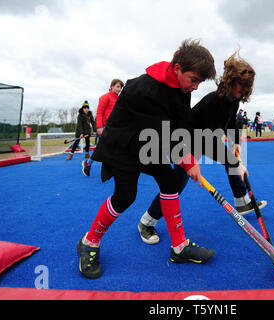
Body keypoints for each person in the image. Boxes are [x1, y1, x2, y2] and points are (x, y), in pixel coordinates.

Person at [76, 39, 217, 279]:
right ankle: (89, 242)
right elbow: (163, 134)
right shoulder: (144, 89)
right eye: (193, 80)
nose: (195, 87)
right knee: (125, 197)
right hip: (123, 144)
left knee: (170, 183)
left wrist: (190, 153)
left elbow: (178, 126)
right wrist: (188, 159)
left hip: (149, 142)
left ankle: (180, 247)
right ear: (177, 68)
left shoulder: (182, 89)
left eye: (199, 83)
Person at [137, 51, 267, 245]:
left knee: (232, 161)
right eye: (242, 88)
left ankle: (241, 201)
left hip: (201, 140)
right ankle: (146, 222)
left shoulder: (233, 100)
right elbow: (208, 143)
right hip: (182, 143)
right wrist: (234, 161)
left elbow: (231, 122)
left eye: (246, 89)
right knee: (176, 185)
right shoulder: (216, 101)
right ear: (231, 81)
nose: (244, 92)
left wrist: (236, 143)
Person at [82, 79, 124, 176]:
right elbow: (99, 113)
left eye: (120, 87)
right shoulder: (105, 97)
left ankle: (90, 163)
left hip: (115, 128)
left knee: (112, 148)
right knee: (103, 148)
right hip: (105, 127)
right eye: (117, 86)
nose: (119, 89)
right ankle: (88, 163)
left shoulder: (118, 99)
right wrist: (99, 127)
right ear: (112, 86)